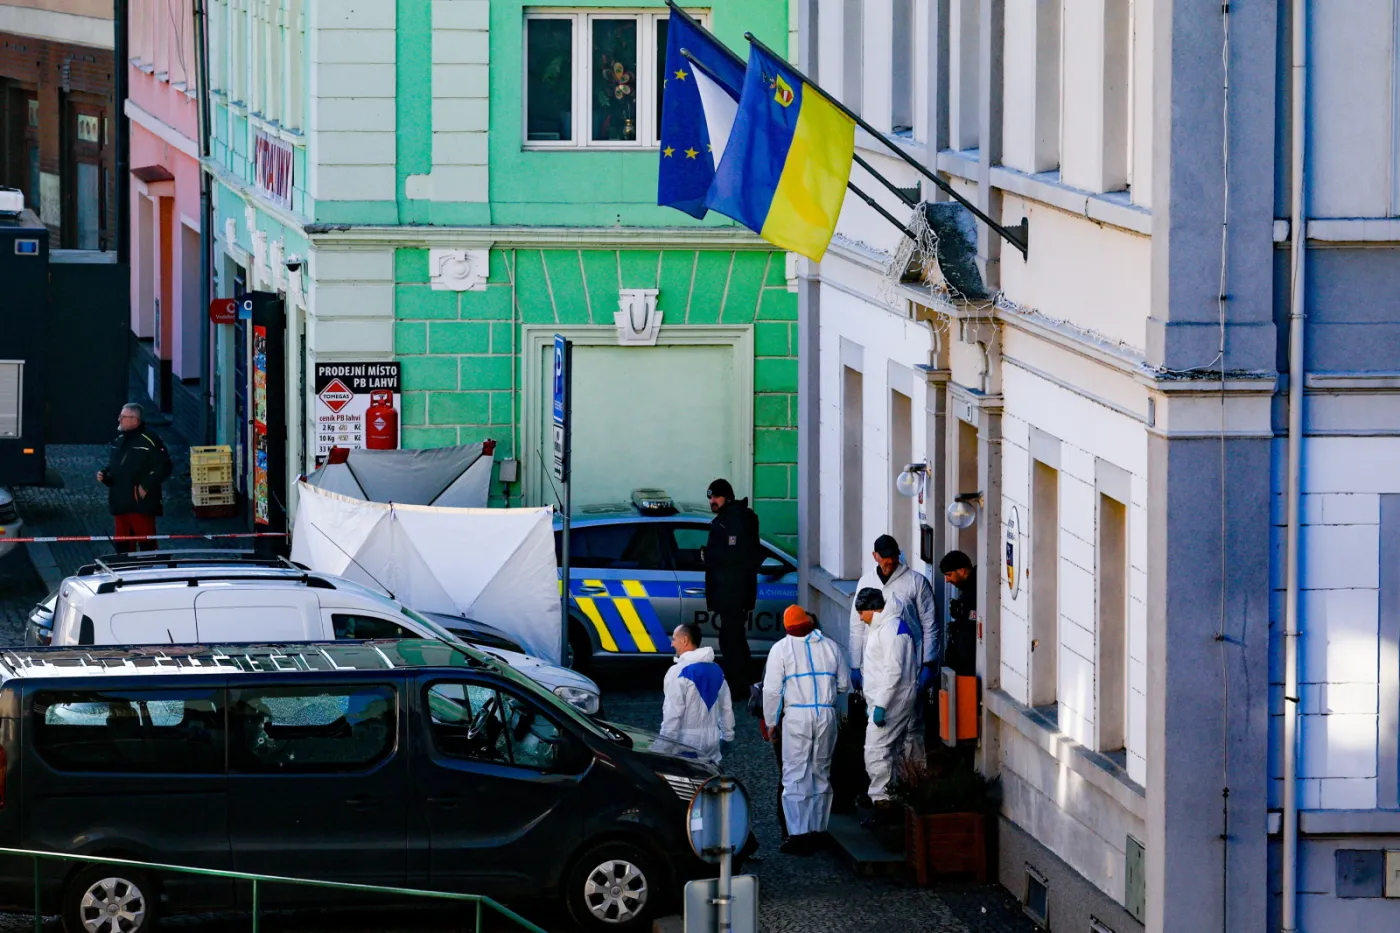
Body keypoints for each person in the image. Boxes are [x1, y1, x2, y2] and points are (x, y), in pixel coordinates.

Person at [762, 605, 849, 855]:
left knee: (795, 774)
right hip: (826, 713)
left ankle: (798, 834)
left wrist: (771, 722)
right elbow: (844, 684)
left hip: (797, 717)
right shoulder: (831, 646)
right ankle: (819, 830)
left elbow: (771, 691)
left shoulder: (780, 649)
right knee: (821, 771)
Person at [848, 534, 942, 701]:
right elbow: (857, 626)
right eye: (885, 557)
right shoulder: (866, 582)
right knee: (876, 712)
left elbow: (930, 624)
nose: (889, 561)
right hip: (873, 665)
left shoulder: (916, 582)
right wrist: (855, 664)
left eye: (893, 556)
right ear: (875, 556)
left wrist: (929, 661)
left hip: (909, 663)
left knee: (910, 718)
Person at [855, 587, 918, 807]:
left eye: (861, 611)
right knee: (893, 749)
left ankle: (882, 799)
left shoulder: (889, 630)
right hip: (890, 698)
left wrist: (880, 705)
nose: (860, 617)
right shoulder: (885, 627)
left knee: (876, 749)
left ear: (872, 608)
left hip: (892, 700)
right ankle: (893, 795)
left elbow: (893, 671)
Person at [702, 478, 762, 696]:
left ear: (727, 496)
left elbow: (734, 556)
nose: (712, 501)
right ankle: (744, 682)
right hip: (730, 592)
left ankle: (738, 686)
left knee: (731, 639)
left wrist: (707, 555)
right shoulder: (727, 519)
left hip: (733, 592)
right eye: (710, 497)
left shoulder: (736, 520)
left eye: (716, 497)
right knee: (733, 638)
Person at [96, 402, 172, 553]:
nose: (119, 419)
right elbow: (116, 469)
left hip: (140, 505)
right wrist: (106, 477)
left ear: (135, 420)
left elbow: (164, 466)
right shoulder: (118, 441)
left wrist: (146, 486)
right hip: (120, 504)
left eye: (123, 417)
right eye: (120, 416)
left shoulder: (149, 440)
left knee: (147, 546)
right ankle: (125, 573)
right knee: (122, 548)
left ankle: (150, 572)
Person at [660, 622, 735, 765]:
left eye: (674, 639)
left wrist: (662, 749)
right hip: (712, 742)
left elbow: (672, 715)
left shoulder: (677, 672)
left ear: (685, 640)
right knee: (710, 781)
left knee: (686, 785)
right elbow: (726, 708)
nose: (672, 644)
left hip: (686, 743)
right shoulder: (716, 670)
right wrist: (727, 737)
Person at [939, 550, 978, 675]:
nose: (947, 580)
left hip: (972, 664)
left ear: (961, 571)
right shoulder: (967, 590)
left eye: (949, 574)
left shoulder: (977, 589)